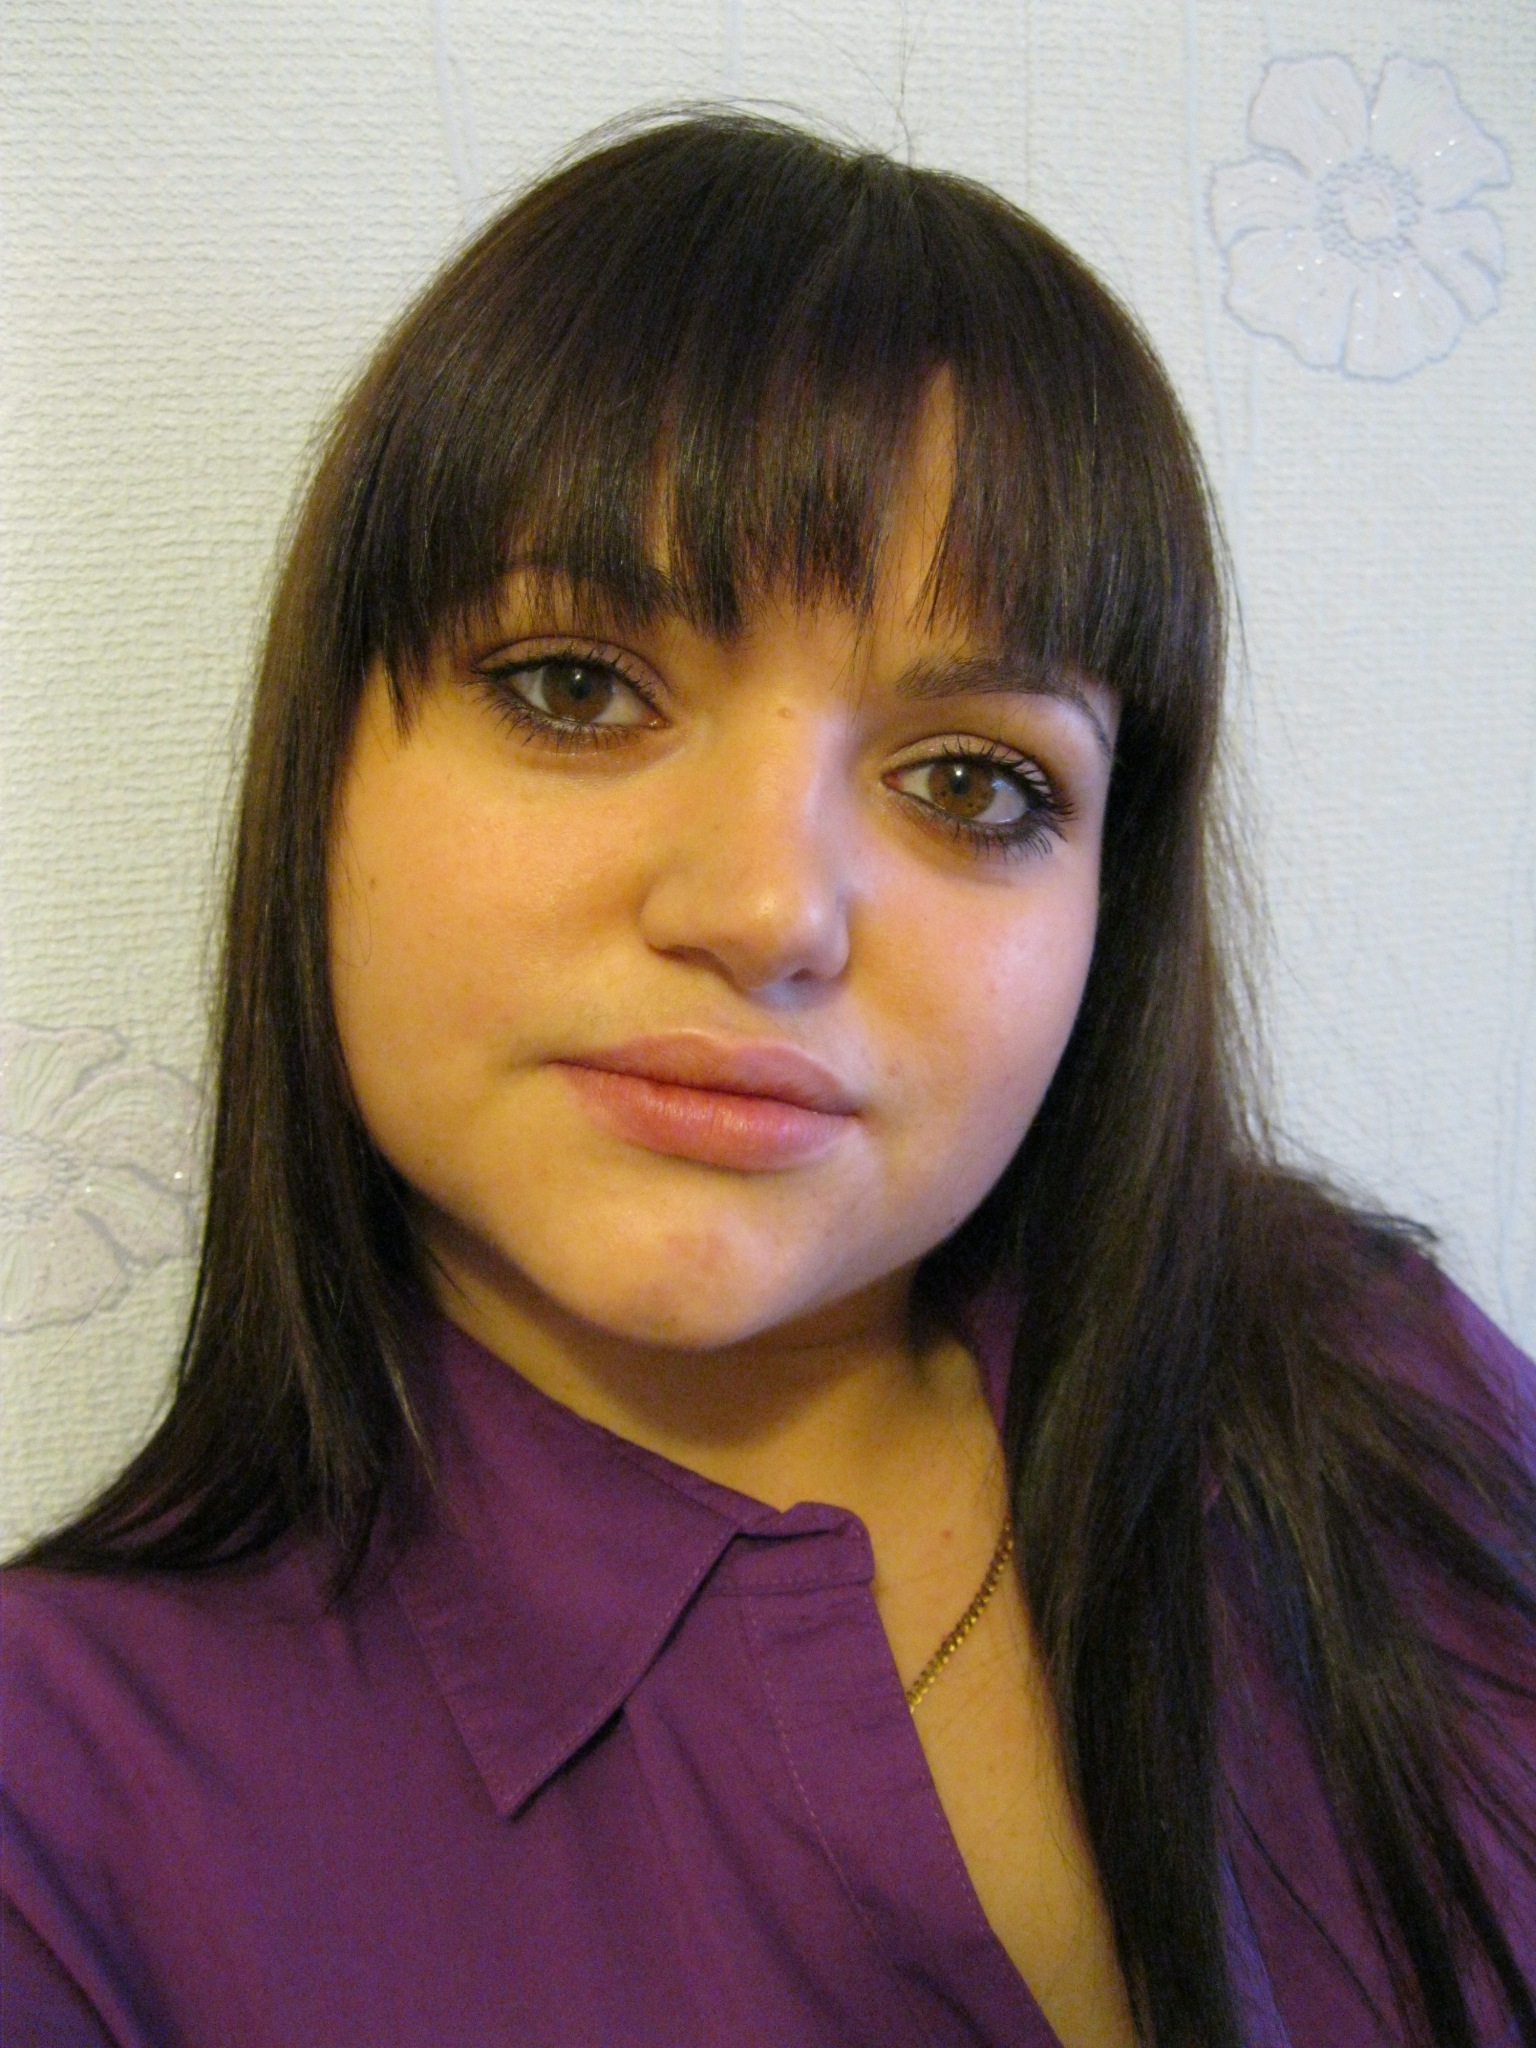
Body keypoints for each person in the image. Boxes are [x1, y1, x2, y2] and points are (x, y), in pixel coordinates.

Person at [2, 111, 1533, 2048]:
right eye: (576, 686)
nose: (768, 912)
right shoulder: (57, 1804)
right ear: (326, 776)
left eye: (971, 779)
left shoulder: (1367, 1384)